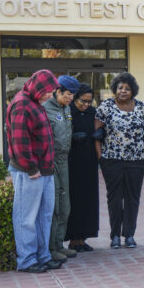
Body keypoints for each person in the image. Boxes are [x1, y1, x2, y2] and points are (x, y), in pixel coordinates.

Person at [6, 69, 63, 273]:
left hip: (44, 171)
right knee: (26, 217)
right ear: (38, 87)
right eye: (48, 91)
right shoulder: (22, 104)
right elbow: (20, 142)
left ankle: (42, 256)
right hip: (29, 171)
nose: (50, 95)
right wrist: (31, 168)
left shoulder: (36, 103)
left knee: (43, 216)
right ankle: (27, 260)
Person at [95, 73, 144, 250]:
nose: (123, 91)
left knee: (133, 198)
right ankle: (115, 236)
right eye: (120, 88)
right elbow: (96, 133)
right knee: (115, 199)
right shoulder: (106, 107)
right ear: (115, 90)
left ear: (133, 90)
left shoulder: (142, 108)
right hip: (112, 160)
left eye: (127, 88)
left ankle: (130, 235)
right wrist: (100, 157)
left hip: (137, 160)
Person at [44, 75, 80, 262]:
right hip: (50, 161)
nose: (70, 98)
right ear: (57, 91)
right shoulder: (45, 110)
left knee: (65, 204)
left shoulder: (67, 109)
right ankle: (50, 248)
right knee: (54, 204)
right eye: (67, 94)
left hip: (64, 160)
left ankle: (59, 245)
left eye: (72, 95)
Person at [66, 84, 100, 252]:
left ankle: (83, 238)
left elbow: (99, 129)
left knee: (88, 200)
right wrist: (72, 138)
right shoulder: (68, 111)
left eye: (89, 101)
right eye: (82, 101)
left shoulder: (92, 112)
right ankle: (73, 238)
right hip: (72, 162)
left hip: (89, 161)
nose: (86, 105)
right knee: (74, 199)